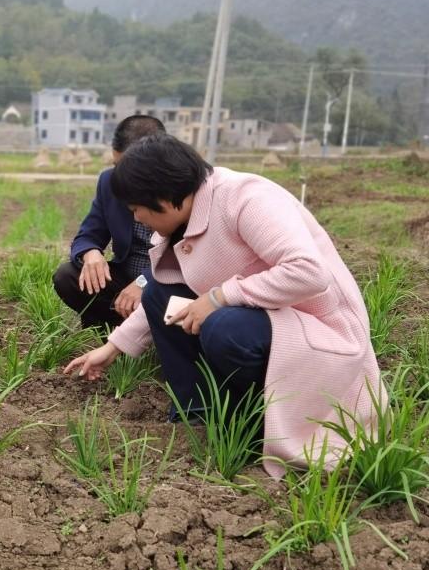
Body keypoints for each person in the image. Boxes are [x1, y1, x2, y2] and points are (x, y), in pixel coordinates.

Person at [64, 134, 382, 477]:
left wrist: (217, 298)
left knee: (224, 327)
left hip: (319, 331)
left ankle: (253, 424)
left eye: (137, 209)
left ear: (165, 197)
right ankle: (199, 416)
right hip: (266, 316)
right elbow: (163, 291)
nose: (138, 219)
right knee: (159, 294)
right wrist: (113, 348)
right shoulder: (187, 215)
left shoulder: (246, 198)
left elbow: (308, 272)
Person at [53, 115, 165, 331]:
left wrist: (144, 282)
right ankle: (112, 331)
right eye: (117, 165)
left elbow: (184, 259)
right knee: (68, 277)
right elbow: (88, 234)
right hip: (125, 276)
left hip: (168, 280)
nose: (121, 175)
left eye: (129, 167)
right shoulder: (110, 182)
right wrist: (91, 254)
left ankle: (149, 336)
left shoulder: (181, 188)